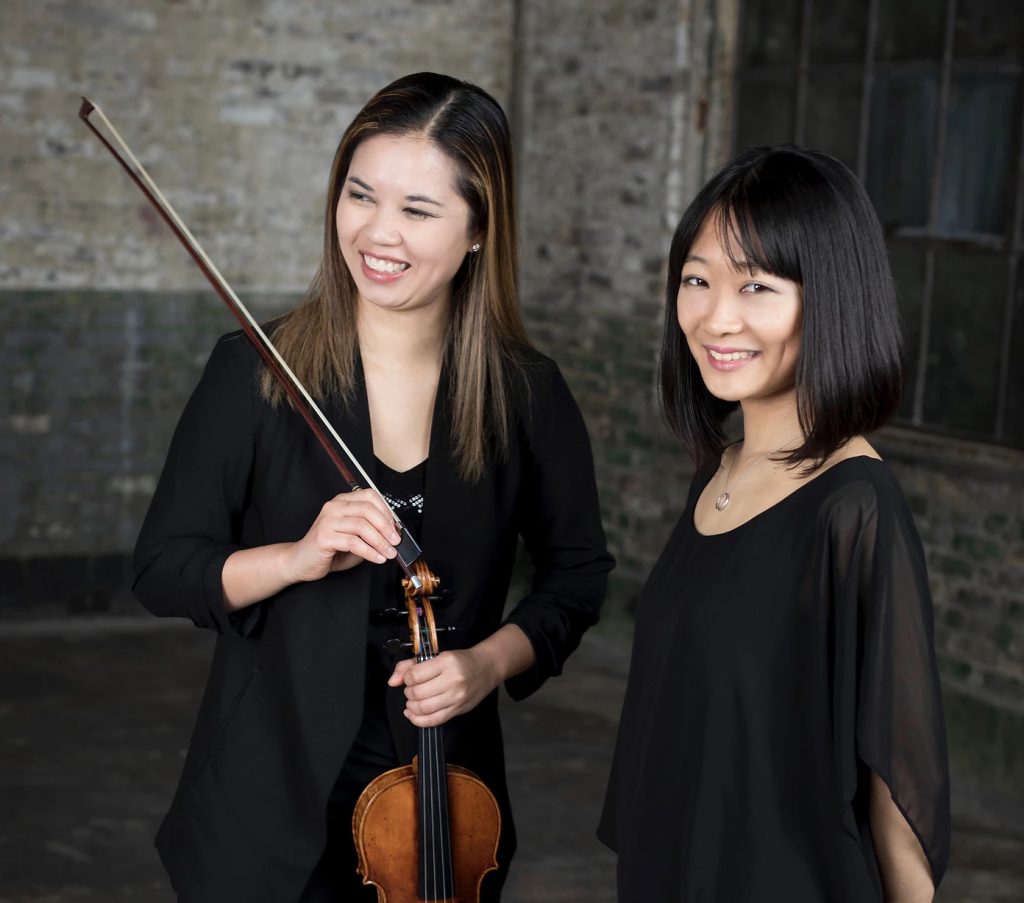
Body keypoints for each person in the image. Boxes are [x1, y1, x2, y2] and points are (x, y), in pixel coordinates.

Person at [133, 71, 613, 902]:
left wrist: (486, 663)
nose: (377, 233)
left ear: (477, 231)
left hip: (443, 797)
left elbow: (578, 575)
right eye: (360, 196)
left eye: (418, 211)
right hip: (265, 788)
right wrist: (296, 555)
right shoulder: (255, 369)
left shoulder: (524, 392)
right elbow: (164, 565)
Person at [598, 146, 950, 902]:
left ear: (830, 297)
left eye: (756, 285)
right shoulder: (718, 475)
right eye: (697, 280)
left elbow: (899, 788)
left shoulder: (854, 506)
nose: (715, 316)